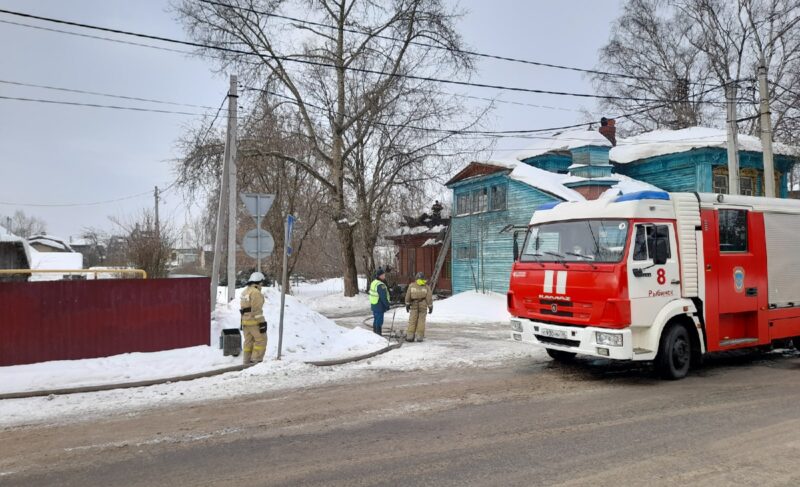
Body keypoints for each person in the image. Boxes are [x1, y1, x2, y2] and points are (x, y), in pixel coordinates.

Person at [240, 271, 267, 365]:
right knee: (261, 340)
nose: (262, 284)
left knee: (248, 342)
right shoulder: (256, 293)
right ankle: (256, 361)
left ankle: (246, 362)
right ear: (258, 282)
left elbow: (244, 308)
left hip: (245, 321)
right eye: (261, 282)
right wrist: (262, 323)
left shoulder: (245, 291)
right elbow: (256, 310)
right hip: (254, 321)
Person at [405, 271, 433, 342]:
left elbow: (408, 296)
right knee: (421, 321)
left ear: (416, 278)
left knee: (412, 320)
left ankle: (410, 337)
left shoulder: (411, 285)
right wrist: (430, 306)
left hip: (414, 304)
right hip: (423, 304)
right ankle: (420, 337)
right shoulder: (426, 287)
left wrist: (407, 304)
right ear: (423, 278)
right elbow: (429, 298)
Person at [368, 268, 391, 335]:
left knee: (376, 319)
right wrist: (387, 305)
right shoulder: (380, 285)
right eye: (383, 275)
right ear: (380, 276)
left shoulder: (374, 282)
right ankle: (378, 333)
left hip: (374, 304)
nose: (384, 276)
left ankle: (375, 332)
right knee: (379, 320)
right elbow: (383, 297)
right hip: (379, 305)